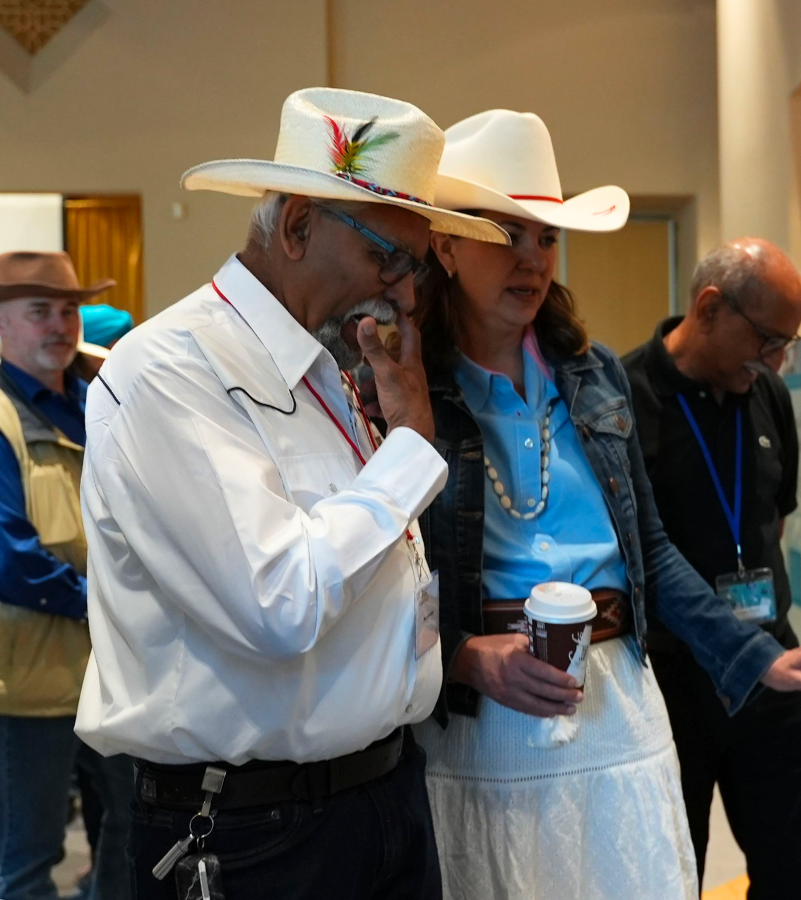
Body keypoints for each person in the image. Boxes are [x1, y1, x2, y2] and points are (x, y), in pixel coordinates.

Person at [412, 109, 801, 900]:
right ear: (445, 245)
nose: (530, 259)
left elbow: (650, 551)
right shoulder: (409, 390)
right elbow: (391, 571)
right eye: (503, 234)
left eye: (545, 237)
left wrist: (759, 654)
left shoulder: (589, 378)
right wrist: (456, 654)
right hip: (485, 721)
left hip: (618, 702)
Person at [74, 88, 510, 900]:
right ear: (299, 225)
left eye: (416, 270)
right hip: (251, 834)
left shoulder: (324, 373)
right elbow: (280, 600)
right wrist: (409, 449)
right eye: (392, 259)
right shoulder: (172, 372)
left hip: (382, 797)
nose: (407, 296)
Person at [623, 238, 801, 898]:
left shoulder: (767, 395)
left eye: (786, 344)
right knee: (674, 874)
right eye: (766, 339)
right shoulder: (624, 398)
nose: (776, 361)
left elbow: (772, 519)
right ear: (708, 308)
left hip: (770, 673)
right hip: (674, 685)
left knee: (794, 880)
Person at [0, 252, 133, 900]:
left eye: (68, 309)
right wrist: (109, 603)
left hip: (112, 673)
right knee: (25, 859)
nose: (61, 324)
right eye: (39, 312)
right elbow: (8, 555)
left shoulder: (100, 399)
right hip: (25, 683)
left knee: (132, 834)